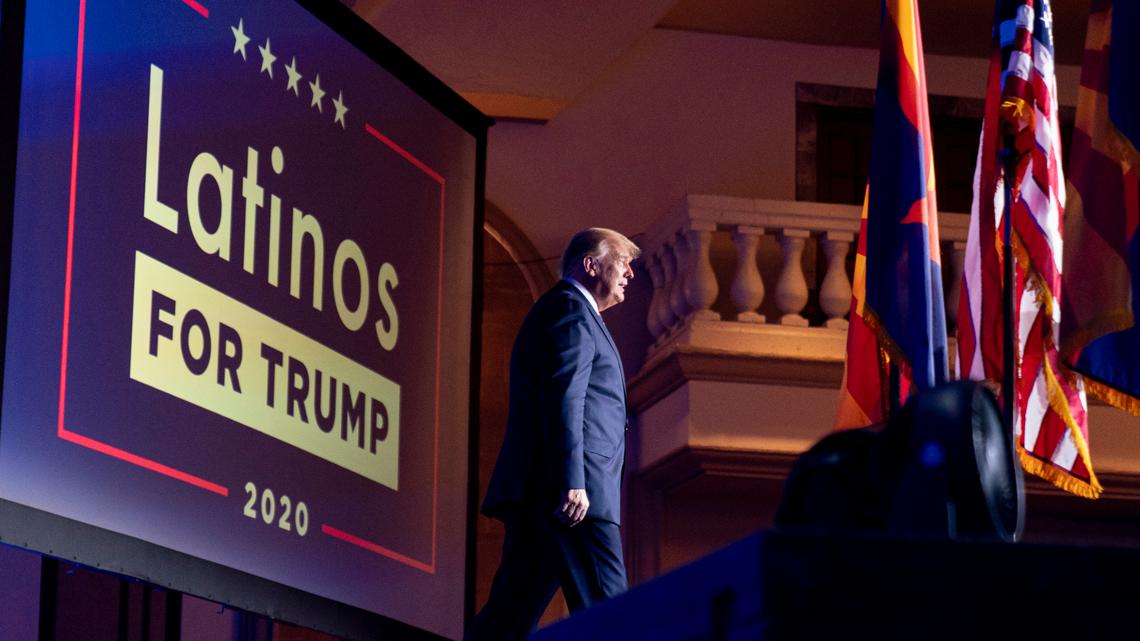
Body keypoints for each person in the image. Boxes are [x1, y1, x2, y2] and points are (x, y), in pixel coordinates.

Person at [465, 228, 640, 641]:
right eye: (622, 261)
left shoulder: (567, 311)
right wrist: (572, 481)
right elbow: (566, 397)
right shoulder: (570, 312)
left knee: (505, 622)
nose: (630, 273)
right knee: (611, 615)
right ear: (590, 264)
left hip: (546, 496)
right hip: (573, 497)